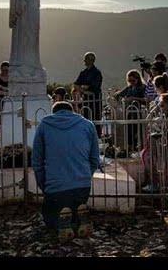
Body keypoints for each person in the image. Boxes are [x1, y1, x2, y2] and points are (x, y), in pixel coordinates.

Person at [32, 101, 100, 242]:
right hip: (83, 186)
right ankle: (78, 219)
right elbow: (94, 159)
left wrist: (43, 185)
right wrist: (86, 176)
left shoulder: (45, 125)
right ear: (73, 111)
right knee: (74, 208)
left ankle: (60, 223)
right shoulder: (88, 125)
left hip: (56, 187)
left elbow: (37, 161)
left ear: (53, 112)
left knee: (49, 219)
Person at [114, 70, 146, 151]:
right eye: (129, 81)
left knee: (137, 131)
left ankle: (138, 147)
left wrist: (133, 98)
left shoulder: (143, 88)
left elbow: (146, 99)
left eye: (133, 80)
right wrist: (118, 95)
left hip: (139, 112)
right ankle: (130, 147)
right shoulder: (129, 88)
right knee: (129, 131)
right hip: (129, 113)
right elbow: (118, 95)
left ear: (138, 79)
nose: (131, 82)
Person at [73, 52, 103, 136]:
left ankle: (97, 137)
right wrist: (84, 89)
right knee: (86, 119)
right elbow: (76, 85)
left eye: (86, 59)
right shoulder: (83, 72)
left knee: (96, 120)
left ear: (91, 60)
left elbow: (94, 88)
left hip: (95, 101)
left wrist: (83, 88)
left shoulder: (97, 73)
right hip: (86, 100)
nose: (84, 61)